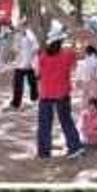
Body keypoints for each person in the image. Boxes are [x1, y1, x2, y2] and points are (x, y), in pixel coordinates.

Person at [35, 23, 86, 161]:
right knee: (66, 120)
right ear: (61, 41)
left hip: (46, 93)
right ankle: (75, 147)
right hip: (62, 93)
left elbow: (37, 74)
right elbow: (79, 57)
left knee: (44, 123)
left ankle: (44, 152)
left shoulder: (42, 56)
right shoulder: (67, 54)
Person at [8, 24, 39, 111]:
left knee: (32, 83)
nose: (21, 28)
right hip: (21, 64)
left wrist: (31, 56)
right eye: (20, 27)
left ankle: (34, 100)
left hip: (29, 64)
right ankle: (16, 103)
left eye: (23, 26)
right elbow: (14, 49)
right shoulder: (18, 36)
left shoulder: (31, 35)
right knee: (19, 84)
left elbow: (36, 48)